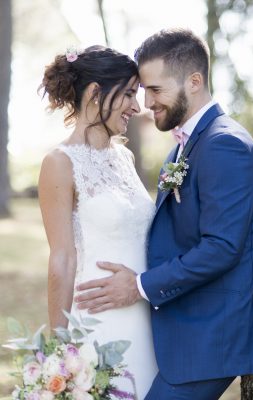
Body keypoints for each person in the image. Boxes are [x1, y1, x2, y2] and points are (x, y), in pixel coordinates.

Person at [75, 29, 253, 399]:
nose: (146, 102)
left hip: (213, 334)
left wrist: (138, 286)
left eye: (155, 90)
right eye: (143, 91)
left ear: (195, 81)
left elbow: (221, 247)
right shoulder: (185, 147)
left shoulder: (225, 145)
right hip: (185, 325)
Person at [38, 45, 158, 398]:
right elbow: (61, 257)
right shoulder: (59, 162)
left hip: (145, 318)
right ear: (95, 92)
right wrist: (60, 352)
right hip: (98, 321)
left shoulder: (124, 156)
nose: (137, 107)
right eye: (128, 94)